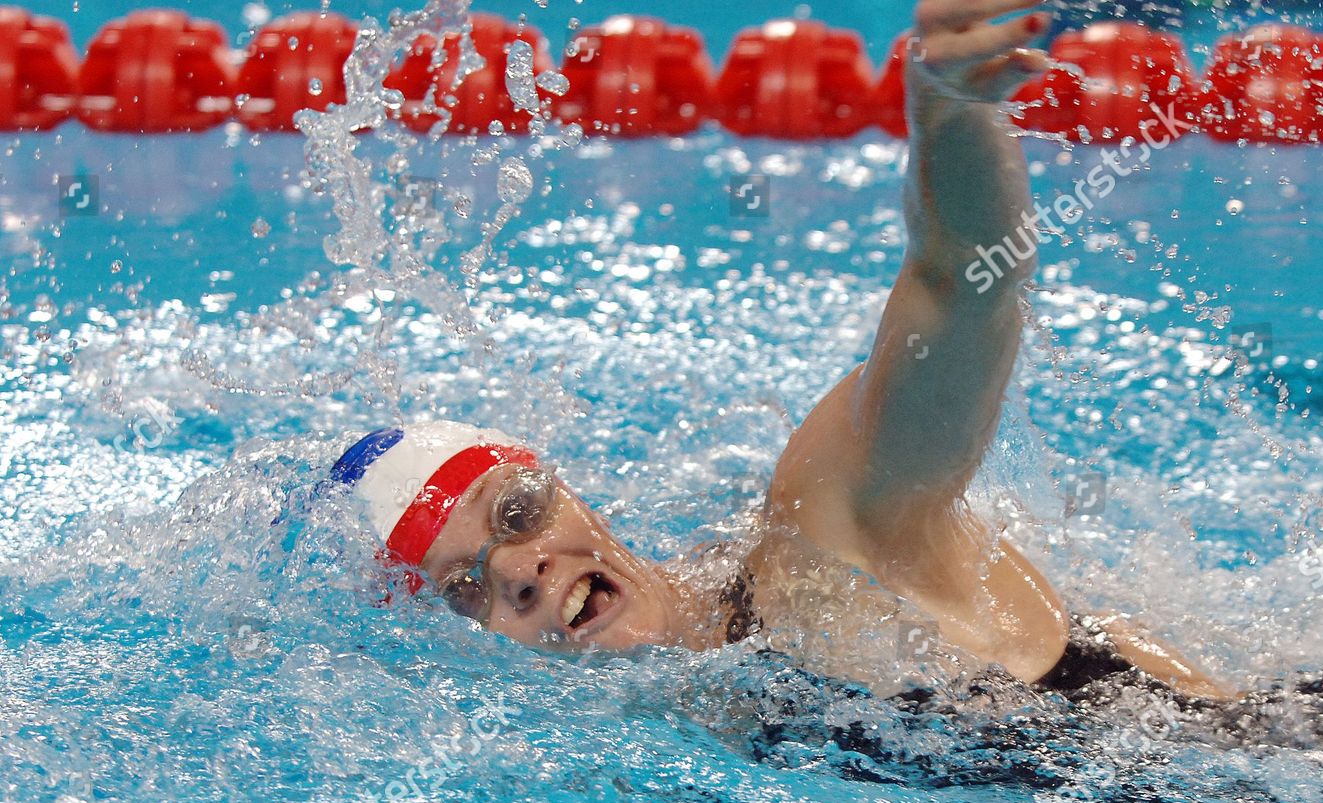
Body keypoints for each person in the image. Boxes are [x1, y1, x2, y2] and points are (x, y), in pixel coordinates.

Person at [331, 0, 1235, 706]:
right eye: (464, 591)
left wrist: (951, 115)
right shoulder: (666, 711)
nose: (520, 572)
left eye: (519, 512)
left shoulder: (820, 547)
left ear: (568, 490)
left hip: (1294, 774)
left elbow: (965, 286)